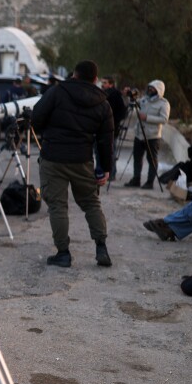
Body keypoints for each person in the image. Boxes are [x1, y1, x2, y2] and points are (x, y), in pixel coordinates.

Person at [31, 60, 113, 268]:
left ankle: (63, 253)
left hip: (53, 158)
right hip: (82, 160)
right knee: (91, 203)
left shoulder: (57, 92)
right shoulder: (103, 103)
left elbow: (36, 118)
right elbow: (106, 140)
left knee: (58, 206)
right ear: (95, 79)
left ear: (74, 75)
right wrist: (106, 168)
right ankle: (101, 247)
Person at [124, 80, 170, 190]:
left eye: (153, 88)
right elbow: (133, 104)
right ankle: (136, 179)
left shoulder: (164, 103)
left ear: (158, 90)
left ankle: (150, 182)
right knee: (137, 158)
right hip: (139, 134)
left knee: (152, 160)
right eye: (149, 87)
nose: (150, 90)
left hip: (152, 136)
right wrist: (129, 95)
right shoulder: (144, 99)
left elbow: (164, 119)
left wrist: (147, 118)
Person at [100, 76, 127, 180]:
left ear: (111, 84)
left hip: (112, 129)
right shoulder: (101, 93)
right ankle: (102, 172)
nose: (103, 84)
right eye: (102, 82)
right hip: (100, 129)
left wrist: (113, 121)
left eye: (105, 82)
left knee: (111, 151)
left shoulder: (115, 95)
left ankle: (111, 173)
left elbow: (122, 113)